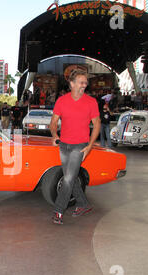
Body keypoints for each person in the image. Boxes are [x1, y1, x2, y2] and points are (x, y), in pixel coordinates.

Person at [49, 69, 100, 225]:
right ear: (71, 84)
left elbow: (97, 124)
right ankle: (83, 204)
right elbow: (53, 122)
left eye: (85, 82)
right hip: (64, 145)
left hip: (80, 145)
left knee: (69, 178)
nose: (84, 85)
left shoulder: (91, 102)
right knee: (70, 179)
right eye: (81, 82)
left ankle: (58, 211)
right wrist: (55, 135)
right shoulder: (61, 101)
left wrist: (90, 146)